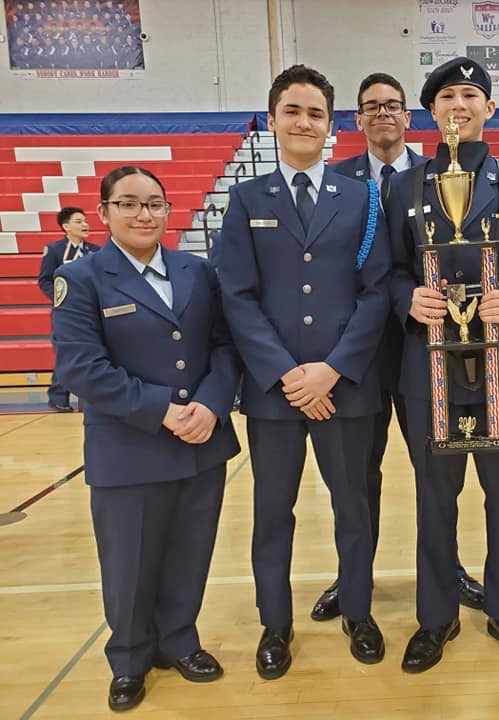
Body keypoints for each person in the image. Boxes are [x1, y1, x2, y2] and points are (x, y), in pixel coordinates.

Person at [218, 64, 391, 679]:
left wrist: (333, 370)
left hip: (347, 390)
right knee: (272, 513)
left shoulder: (362, 196)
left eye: (315, 113)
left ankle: (360, 612)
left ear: (331, 126)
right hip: (275, 395)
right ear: (272, 122)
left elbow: (377, 292)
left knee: (355, 508)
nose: (303, 122)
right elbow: (235, 295)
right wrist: (290, 373)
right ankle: (275, 624)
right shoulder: (246, 199)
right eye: (292, 111)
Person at [384, 57, 499, 673]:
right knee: (434, 497)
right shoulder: (402, 186)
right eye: (448, 95)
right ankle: (436, 617)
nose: (460, 104)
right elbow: (389, 270)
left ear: (489, 109)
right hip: (428, 368)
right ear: (432, 112)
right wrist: (409, 297)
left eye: (471, 95)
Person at [51, 166, 241, 712]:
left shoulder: (196, 271)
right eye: (129, 204)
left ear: (168, 210)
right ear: (104, 211)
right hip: (129, 449)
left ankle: (180, 640)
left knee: (190, 551)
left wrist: (209, 402)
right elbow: (81, 367)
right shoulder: (84, 279)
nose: (143, 214)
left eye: (154, 203)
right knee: (129, 563)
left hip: (201, 439)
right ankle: (130, 658)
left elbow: (225, 346)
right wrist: (163, 410)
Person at [313, 72, 484, 624]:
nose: (382, 113)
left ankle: (448, 566)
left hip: (425, 349)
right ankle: (352, 574)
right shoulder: (334, 180)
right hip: (354, 354)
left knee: (438, 471)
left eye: (392, 105)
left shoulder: (442, 173)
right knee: (354, 478)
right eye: (370, 107)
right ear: (356, 119)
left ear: (410, 116)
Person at [38, 206, 99, 411]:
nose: (85, 224)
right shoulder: (54, 250)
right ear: (66, 226)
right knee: (68, 351)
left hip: (93, 310)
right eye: (79, 221)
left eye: (85, 220)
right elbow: (45, 280)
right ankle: (58, 397)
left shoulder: (95, 250)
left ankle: (94, 396)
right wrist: (59, 301)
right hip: (67, 311)